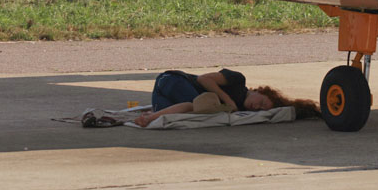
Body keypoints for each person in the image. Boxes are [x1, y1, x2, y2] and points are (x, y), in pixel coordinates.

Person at [134, 68, 320, 127]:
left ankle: (152, 116)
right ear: (259, 90)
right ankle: (149, 118)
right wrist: (227, 99)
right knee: (194, 106)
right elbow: (203, 78)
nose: (257, 107)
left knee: (174, 116)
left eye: (262, 109)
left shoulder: (241, 110)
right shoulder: (238, 81)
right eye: (262, 102)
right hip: (172, 80)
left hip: (163, 95)